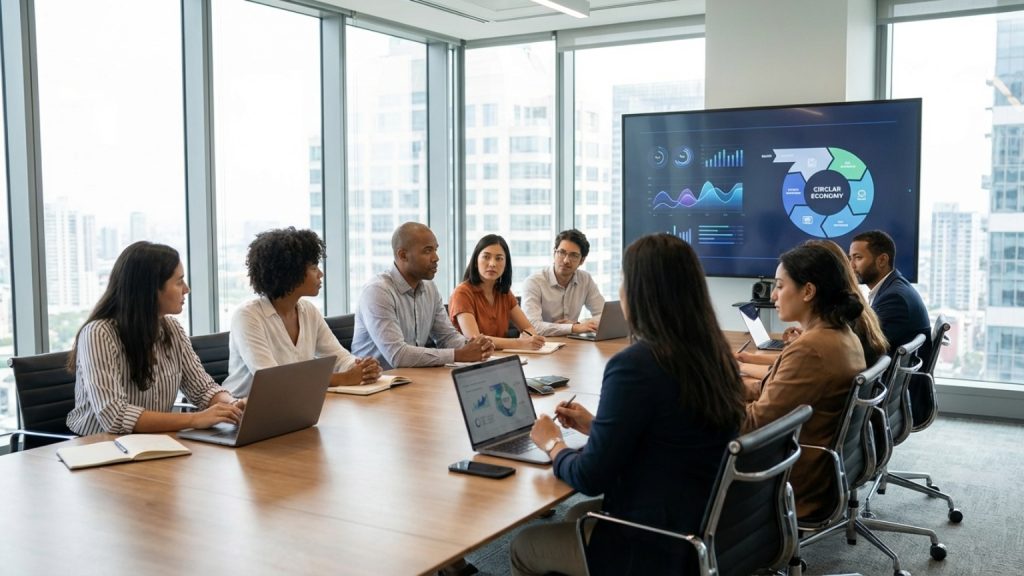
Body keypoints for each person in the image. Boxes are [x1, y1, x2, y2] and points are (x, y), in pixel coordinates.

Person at [511, 234, 746, 576]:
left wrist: (551, 442)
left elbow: (590, 477)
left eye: (623, 279)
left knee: (525, 544)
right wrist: (597, 426)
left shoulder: (635, 365)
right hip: (702, 518)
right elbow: (673, 428)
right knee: (576, 515)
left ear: (640, 292)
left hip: (654, 541)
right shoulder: (714, 353)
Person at [66, 241, 244, 436]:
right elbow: (115, 416)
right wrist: (195, 419)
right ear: (150, 289)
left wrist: (233, 405)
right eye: (179, 282)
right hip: (100, 448)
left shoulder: (172, 329)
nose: (186, 289)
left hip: (154, 444)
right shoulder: (98, 334)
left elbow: (203, 389)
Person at [743, 242, 867, 519]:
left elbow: (755, 425)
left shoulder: (811, 349)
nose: (773, 295)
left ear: (808, 291)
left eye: (779, 285)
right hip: (815, 469)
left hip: (789, 481)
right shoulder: (843, 335)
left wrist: (702, 404)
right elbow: (772, 394)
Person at [222, 227, 381, 397]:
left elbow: (339, 358)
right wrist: (343, 379)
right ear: (291, 273)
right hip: (242, 412)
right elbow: (273, 379)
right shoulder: (247, 316)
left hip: (294, 404)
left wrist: (362, 367)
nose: (320, 274)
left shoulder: (308, 311)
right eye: (313, 268)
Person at [736, 239, 888, 389]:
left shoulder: (821, 342)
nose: (773, 296)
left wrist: (740, 368)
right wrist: (750, 359)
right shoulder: (845, 322)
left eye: (780, 286)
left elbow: (790, 375)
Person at [351, 222, 494, 370]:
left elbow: (447, 337)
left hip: (412, 378)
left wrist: (474, 347)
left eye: (435, 250)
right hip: (375, 383)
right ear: (403, 255)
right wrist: (459, 354)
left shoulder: (429, 288)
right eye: (427, 251)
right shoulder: (377, 291)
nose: (436, 258)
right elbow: (399, 356)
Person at [449, 234, 545, 350]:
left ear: (505, 265)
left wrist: (530, 339)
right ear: (475, 261)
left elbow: (529, 329)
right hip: (470, 362)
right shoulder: (462, 293)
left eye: (499, 258)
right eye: (486, 257)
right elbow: (475, 340)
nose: (492, 264)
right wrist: (520, 343)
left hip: (499, 359)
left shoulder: (504, 293)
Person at [849, 230, 931, 362]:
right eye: (850, 258)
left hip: (888, 379)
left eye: (858, 258)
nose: (851, 266)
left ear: (882, 260)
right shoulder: (892, 287)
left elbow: (865, 348)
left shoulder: (895, 298)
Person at [521, 229, 605, 336]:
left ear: (582, 260)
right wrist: (573, 328)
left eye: (574, 255)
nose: (566, 260)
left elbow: (603, 315)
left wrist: (578, 324)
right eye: (562, 253)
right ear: (554, 253)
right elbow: (531, 327)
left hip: (571, 345)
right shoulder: (534, 282)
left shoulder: (585, 279)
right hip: (540, 346)